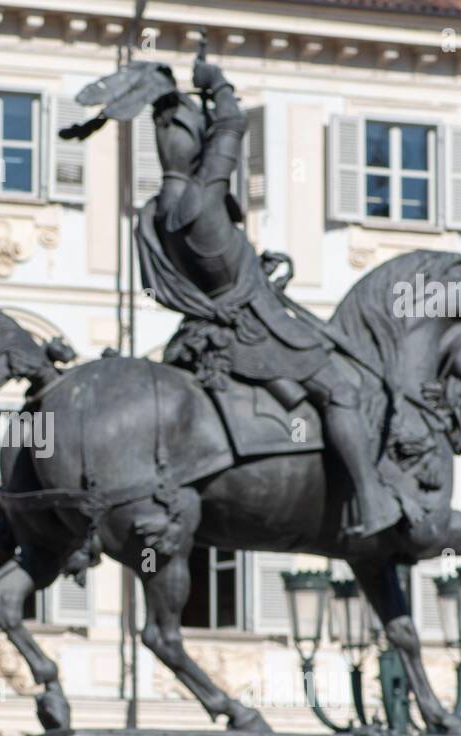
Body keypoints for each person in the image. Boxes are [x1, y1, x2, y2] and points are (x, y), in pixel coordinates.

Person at [138, 57, 401, 539]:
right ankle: (372, 497)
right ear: (195, 143)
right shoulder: (199, 200)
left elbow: (204, 268)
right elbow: (234, 127)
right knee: (341, 390)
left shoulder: (157, 211)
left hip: (223, 316)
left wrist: (253, 272)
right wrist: (217, 86)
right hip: (252, 329)